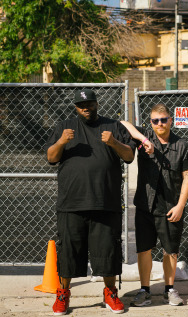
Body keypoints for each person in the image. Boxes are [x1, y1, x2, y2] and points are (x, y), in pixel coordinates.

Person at [45, 89, 136, 315]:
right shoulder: (65, 127)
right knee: (68, 253)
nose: (86, 108)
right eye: (81, 105)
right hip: (71, 203)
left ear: (97, 104)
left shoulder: (114, 126)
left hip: (106, 202)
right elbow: (51, 158)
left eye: (90, 103)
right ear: (76, 107)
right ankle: (63, 295)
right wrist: (62, 141)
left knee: (107, 253)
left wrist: (114, 142)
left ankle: (110, 293)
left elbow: (129, 156)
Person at [120, 103, 188, 307]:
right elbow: (122, 123)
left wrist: (180, 205)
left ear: (170, 120)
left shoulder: (182, 145)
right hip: (145, 205)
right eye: (155, 120)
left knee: (170, 250)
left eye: (163, 120)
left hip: (171, 206)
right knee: (144, 249)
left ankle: (169, 289)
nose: (160, 124)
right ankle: (144, 290)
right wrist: (143, 139)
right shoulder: (145, 137)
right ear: (151, 122)